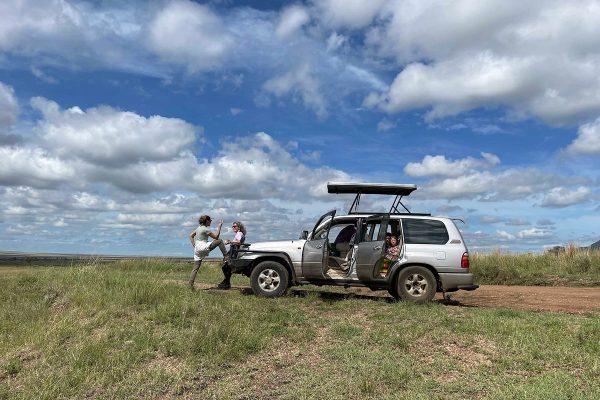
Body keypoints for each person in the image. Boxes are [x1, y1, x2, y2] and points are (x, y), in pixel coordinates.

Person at [188, 215, 227, 289]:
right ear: (207, 221)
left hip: (197, 249)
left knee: (195, 268)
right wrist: (219, 226)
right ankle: (226, 256)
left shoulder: (198, 228)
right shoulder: (206, 229)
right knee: (220, 241)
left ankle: (190, 285)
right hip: (203, 247)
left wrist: (194, 244)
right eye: (210, 220)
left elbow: (190, 235)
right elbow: (216, 237)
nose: (211, 222)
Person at [217, 221, 246, 290]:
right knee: (227, 268)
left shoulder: (239, 233)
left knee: (225, 267)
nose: (233, 227)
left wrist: (230, 241)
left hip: (234, 253)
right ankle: (226, 283)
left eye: (235, 226)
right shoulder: (239, 233)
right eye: (232, 226)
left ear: (239, 227)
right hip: (234, 252)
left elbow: (238, 242)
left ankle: (226, 283)